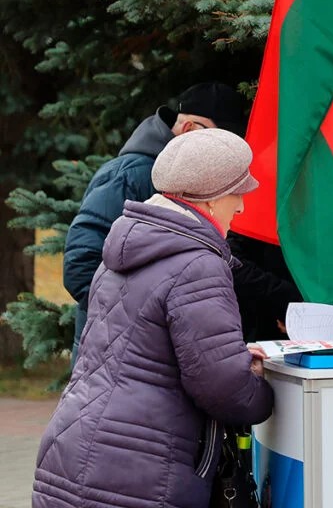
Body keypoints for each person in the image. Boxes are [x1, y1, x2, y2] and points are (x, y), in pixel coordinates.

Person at [33, 128, 274, 508]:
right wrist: (262, 388)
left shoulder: (123, 250)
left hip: (72, 448)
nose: (241, 207)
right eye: (237, 193)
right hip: (139, 473)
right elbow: (223, 388)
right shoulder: (198, 263)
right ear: (210, 199)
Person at [63, 82, 249, 365]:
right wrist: (147, 326)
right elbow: (81, 265)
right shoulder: (128, 175)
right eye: (218, 138)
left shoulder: (178, 178)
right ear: (188, 130)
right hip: (115, 360)